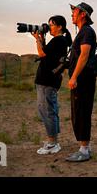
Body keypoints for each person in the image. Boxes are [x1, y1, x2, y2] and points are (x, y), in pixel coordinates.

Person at [32, 15, 72, 155]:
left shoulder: (59, 40)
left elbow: (42, 54)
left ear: (60, 26)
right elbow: (47, 55)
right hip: (47, 80)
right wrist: (41, 39)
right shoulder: (59, 41)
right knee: (46, 110)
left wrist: (37, 39)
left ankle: (53, 143)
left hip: (48, 80)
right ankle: (52, 141)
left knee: (48, 110)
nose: (49, 27)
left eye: (52, 24)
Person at [65, 2, 97, 162]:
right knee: (78, 111)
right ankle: (85, 147)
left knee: (82, 112)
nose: (72, 14)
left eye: (74, 11)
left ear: (83, 14)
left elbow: (84, 55)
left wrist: (74, 77)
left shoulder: (87, 32)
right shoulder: (83, 32)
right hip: (82, 80)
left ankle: (84, 150)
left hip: (83, 80)